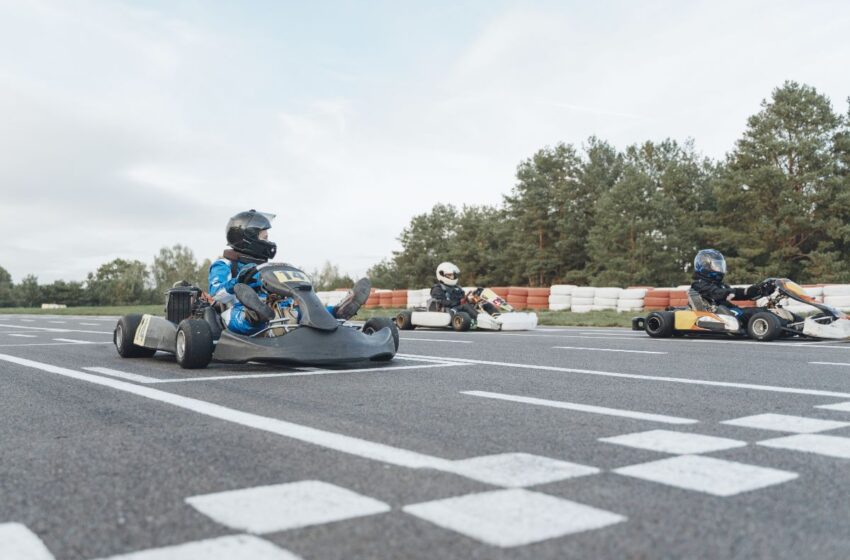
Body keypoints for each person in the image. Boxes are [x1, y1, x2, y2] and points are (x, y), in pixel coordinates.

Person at [209, 209, 370, 335]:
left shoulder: (266, 267)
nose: (268, 242)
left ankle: (336, 312)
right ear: (248, 238)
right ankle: (254, 315)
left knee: (299, 310)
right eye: (264, 238)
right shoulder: (225, 264)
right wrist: (238, 282)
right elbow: (217, 293)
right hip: (237, 309)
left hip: (273, 309)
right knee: (240, 315)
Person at [690, 249, 775, 323]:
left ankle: (783, 324)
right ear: (705, 267)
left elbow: (734, 294)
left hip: (727, 311)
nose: (719, 268)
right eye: (716, 265)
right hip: (715, 313)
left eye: (720, 265)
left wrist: (756, 291)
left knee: (762, 311)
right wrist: (734, 292)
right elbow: (718, 294)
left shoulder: (718, 284)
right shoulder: (698, 284)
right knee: (756, 313)